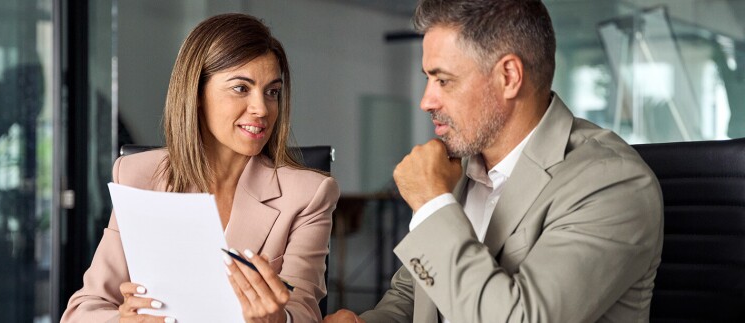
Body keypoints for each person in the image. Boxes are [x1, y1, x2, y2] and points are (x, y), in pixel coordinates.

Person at [325, 0, 663, 322]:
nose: (426, 101)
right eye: (428, 78)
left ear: (509, 77)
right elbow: (415, 293)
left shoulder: (611, 183)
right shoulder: (458, 168)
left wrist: (431, 204)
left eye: (443, 80)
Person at [62, 13, 339, 323]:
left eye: (272, 92)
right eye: (241, 88)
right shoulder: (137, 176)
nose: (262, 109)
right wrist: (122, 321)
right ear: (196, 94)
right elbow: (83, 309)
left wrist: (277, 318)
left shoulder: (307, 195)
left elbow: (303, 311)